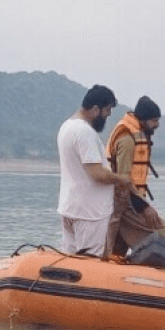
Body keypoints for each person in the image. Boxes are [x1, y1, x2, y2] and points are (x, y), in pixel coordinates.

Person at [56, 85, 133, 256]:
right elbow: (96, 173)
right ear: (95, 108)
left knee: (69, 260)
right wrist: (122, 180)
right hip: (89, 213)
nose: (108, 115)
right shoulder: (85, 133)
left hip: (70, 207)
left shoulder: (66, 126)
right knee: (89, 262)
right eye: (107, 110)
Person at [104, 95, 165, 256]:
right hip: (126, 201)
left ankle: (119, 269)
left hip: (129, 200)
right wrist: (144, 207)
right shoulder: (127, 140)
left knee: (117, 246)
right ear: (143, 119)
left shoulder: (133, 133)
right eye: (154, 120)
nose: (157, 125)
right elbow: (123, 180)